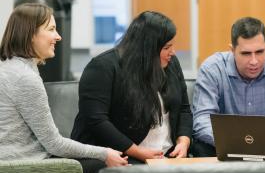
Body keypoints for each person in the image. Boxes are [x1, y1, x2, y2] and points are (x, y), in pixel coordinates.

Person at [0, 3, 128, 173]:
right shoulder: (25, 78)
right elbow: (54, 145)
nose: (58, 37)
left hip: (10, 162)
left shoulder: (9, 67)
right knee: (101, 167)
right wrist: (105, 153)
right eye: (51, 29)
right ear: (30, 34)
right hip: (22, 167)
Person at [71, 11, 192, 164]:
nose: (172, 52)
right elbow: (96, 121)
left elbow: (184, 109)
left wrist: (183, 142)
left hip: (167, 156)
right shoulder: (103, 67)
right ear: (147, 49)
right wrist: (137, 151)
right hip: (119, 156)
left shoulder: (171, 64)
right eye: (166, 47)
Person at [192, 16, 265, 156]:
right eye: (246, 53)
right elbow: (202, 120)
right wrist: (237, 144)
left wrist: (257, 144)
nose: (254, 61)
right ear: (232, 50)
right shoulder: (212, 69)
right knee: (201, 148)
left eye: (260, 52)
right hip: (223, 148)